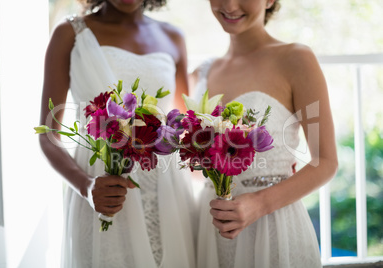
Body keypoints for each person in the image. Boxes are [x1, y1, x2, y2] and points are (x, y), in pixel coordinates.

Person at [38, 0, 195, 267]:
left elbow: (185, 126)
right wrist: (86, 186)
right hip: (101, 193)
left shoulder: (173, 36)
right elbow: (48, 134)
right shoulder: (69, 34)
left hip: (168, 194)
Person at [190, 0, 338, 267]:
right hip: (210, 225)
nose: (230, 5)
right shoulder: (201, 73)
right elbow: (190, 165)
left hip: (274, 226)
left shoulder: (297, 59)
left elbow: (325, 162)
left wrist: (259, 204)